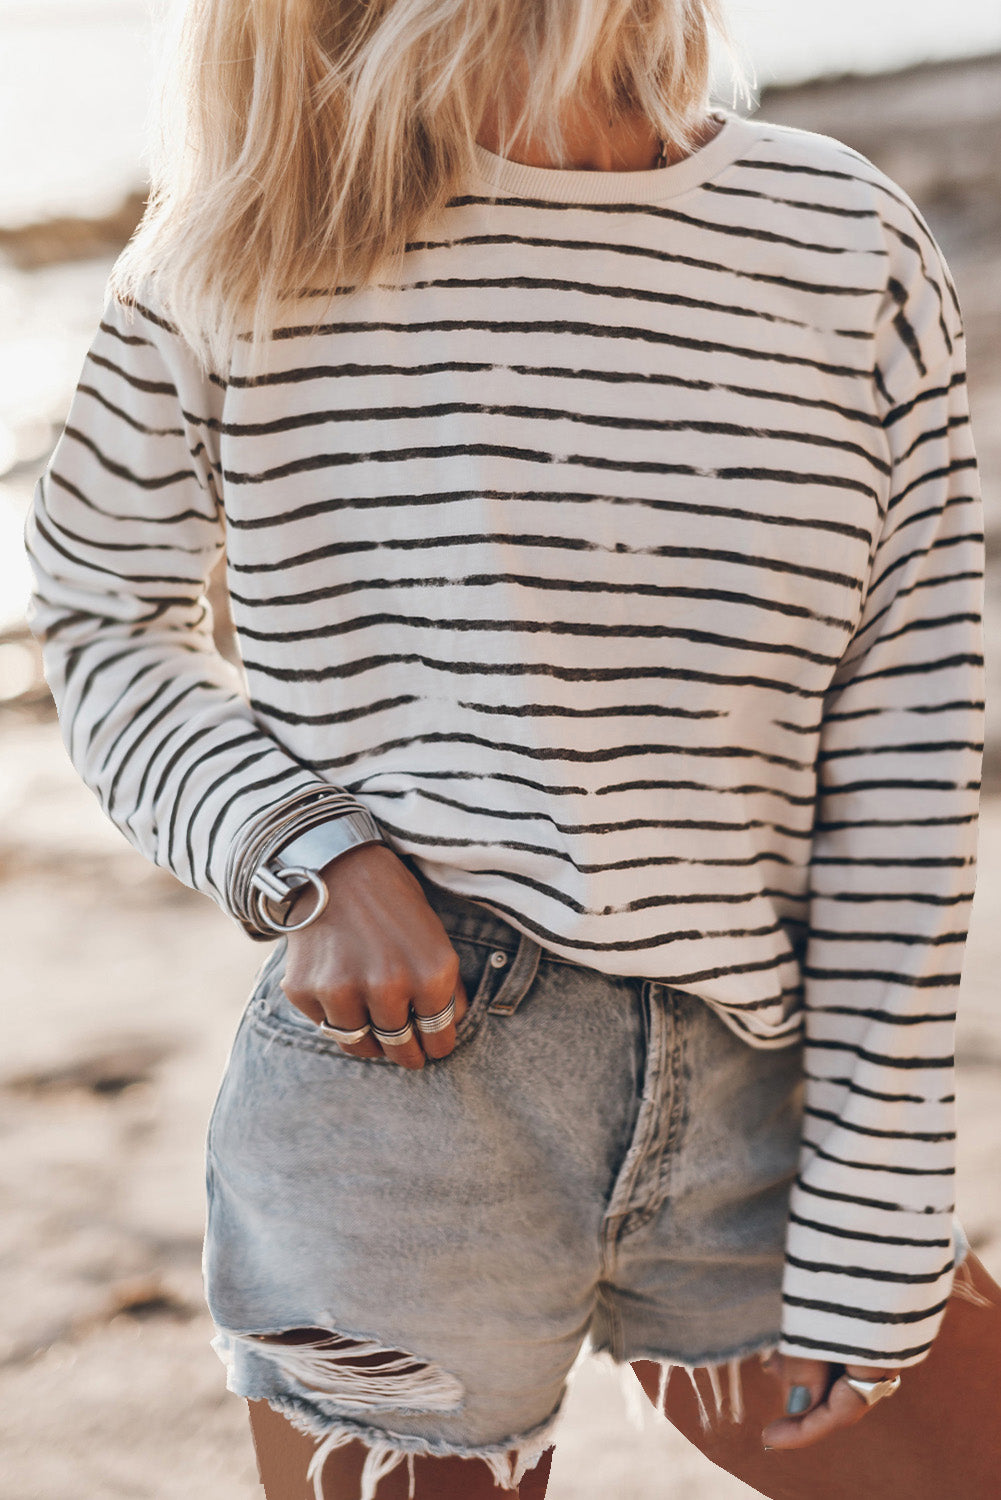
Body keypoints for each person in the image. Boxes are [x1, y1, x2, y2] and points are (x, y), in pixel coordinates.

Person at [24, 1, 991, 1497]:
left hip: (763, 1085)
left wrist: (873, 1204)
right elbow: (96, 613)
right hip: (397, 1102)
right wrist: (309, 853)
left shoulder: (841, 240)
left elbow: (905, 749)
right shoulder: (245, 242)